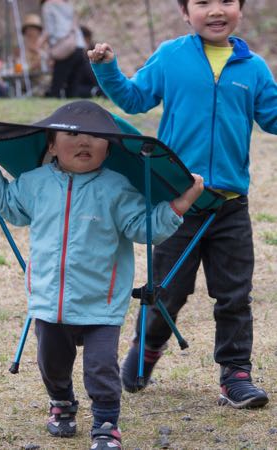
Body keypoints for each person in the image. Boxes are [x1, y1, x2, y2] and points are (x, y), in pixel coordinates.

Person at [0, 100, 203, 449]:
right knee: (51, 363)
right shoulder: (34, 183)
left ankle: (106, 423)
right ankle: (62, 403)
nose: (85, 141)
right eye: (72, 133)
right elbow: (11, 207)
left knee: (100, 368)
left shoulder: (117, 188)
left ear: (109, 148)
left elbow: (144, 228)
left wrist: (182, 204)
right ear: (51, 144)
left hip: (101, 301)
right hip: (49, 299)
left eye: (97, 136)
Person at [88, 0, 277, 409]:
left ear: (240, 10)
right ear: (184, 11)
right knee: (166, 290)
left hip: (229, 205)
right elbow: (135, 99)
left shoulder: (255, 69)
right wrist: (107, 69)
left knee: (234, 294)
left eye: (226, 1)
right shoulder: (171, 56)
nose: (215, 10)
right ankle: (147, 348)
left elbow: (273, 118)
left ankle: (236, 373)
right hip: (179, 201)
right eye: (202, 2)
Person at [40, 0, 102, 98]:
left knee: (56, 85)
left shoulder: (48, 5)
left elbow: (49, 30)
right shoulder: (68, 5)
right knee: (73, 88)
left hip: (65, 47)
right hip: (79, 46)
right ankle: (72, 109)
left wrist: (40, 43)